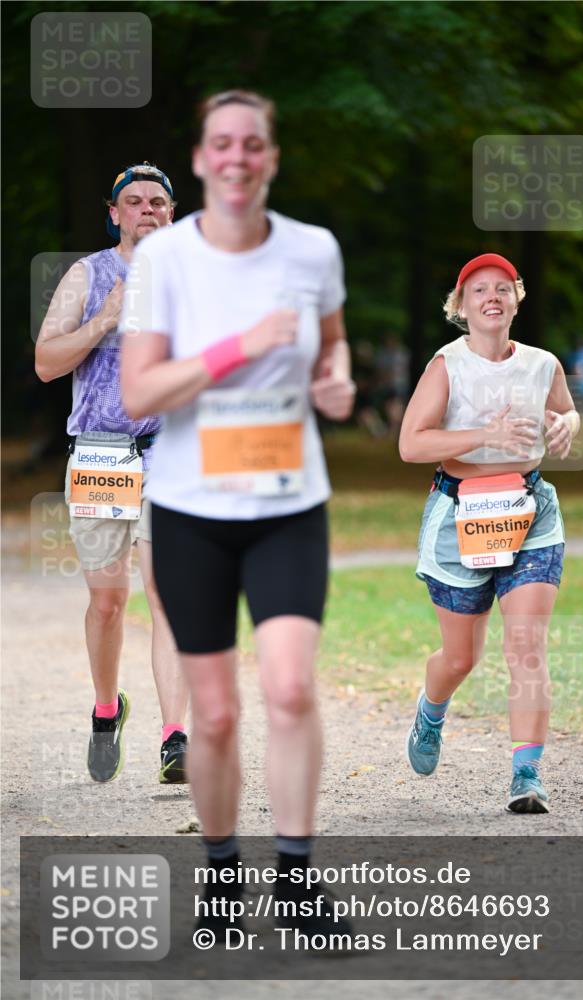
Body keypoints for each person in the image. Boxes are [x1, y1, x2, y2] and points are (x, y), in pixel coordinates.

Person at [120, 90, 355, 933]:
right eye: (221, 143)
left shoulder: (313, 249)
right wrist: (234, 349)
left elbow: (331, 347)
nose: (237, 157)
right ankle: (222, 872)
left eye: (252, 143)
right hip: (190, 507)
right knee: (214, 712)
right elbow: (138, 387)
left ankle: (294, 877)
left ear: (271, 158)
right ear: (199, 158)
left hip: (289, 501)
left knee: (290, 688)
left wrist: (337, 382)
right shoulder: (162, 262)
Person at [399, 253, 580, 814]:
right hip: (460, 517)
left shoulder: (543, 363)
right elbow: (411, 444)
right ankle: (431, 713)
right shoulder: (446, 366)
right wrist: (485, 435)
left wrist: (566, 423)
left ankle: (526, 776)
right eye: (479, 290)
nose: (492, 297)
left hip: (529, 512)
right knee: (460, 656)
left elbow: (566, 412)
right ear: (462, 305)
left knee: (526, 644)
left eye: (503, 288)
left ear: (517, 298)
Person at [35, 163, 189, 785]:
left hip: (172, 453)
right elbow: (47, 362)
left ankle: (175, 738)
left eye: (158, 201)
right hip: (101, 453)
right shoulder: (88, 274)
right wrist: (105, 317)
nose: (147, 209)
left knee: (168, 598)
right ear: (115, 213)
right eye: (134, 201)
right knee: (107, 602)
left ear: (172, 214)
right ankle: (107, 709)